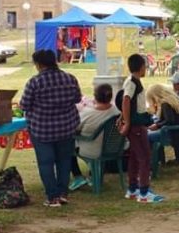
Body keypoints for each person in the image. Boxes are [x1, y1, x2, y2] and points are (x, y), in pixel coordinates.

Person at [20, 50, 83, 207]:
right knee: (64, 161)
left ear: (39, 64)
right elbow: (77, 98)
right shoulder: (70, 78)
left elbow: (24, 105)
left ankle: (52, 197)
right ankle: (63, 194)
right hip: (67, 128)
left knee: (46, 163)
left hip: (42, 130)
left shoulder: (35, 82)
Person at [121, 53, 164, 203]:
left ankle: (133, 189)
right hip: (136, 126)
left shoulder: (133, 81)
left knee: (134, 156)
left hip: (136, 124)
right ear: (141, 68)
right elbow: (126, 100)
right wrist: (127, 122)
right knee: (145, 157)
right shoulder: (132, 83)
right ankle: (144, 192)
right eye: (145, 66)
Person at [70, 83, 121, 191]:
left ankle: (78, 176)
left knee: (67, 146)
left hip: (92, 150)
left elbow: (74, 127)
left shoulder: (88, 113)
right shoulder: (117, 112)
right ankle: (93, 174)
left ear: (95, 96)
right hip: (115, 148)